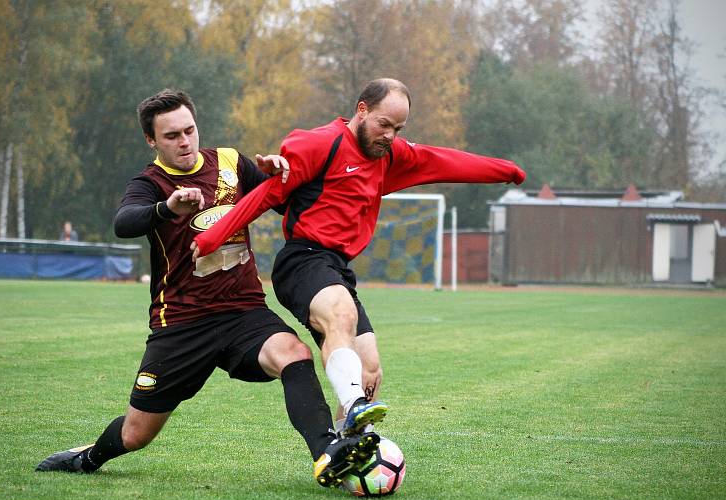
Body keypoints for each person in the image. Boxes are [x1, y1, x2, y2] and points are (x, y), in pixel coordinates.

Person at [36, 89, 379, 489]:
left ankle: (327, 453)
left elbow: (285, 201)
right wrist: (168, 208)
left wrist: (280, 170)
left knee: (294, 354)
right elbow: (124, 222)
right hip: (181, 323)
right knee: (136, 434)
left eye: (189, 130)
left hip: (243, 312)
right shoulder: (151, 183)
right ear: (152, 140)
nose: (184, 141)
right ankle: (90, 456)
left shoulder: (231, 163)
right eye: (171, 136)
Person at [192, 78, 526, 432]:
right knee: (341, 314)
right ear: (362, 110)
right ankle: (353, 405)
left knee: (369, 370)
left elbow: (442, 161)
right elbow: (268, 195)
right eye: (384, 124)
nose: (389, 136)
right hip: (302, 261)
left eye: (398, 129)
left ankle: (348, 447)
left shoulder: (390, 156)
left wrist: (505, 171)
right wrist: (214, 236)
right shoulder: (323, 143)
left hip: (335, 269)